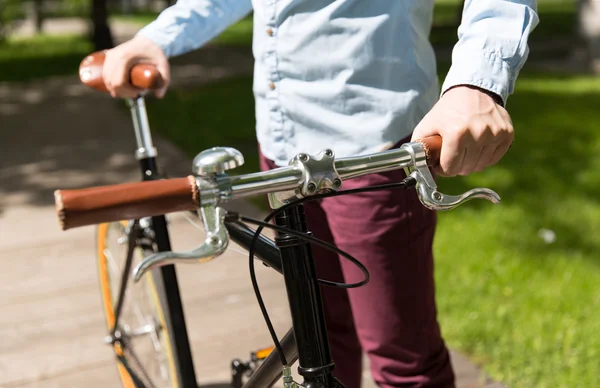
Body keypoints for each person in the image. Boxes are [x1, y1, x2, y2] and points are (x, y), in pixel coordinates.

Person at [102, 1, 538, 387]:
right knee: (318, 342)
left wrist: (477, 82)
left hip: (371, 150)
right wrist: (159, 36)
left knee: (404, 361)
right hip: (280, 150)